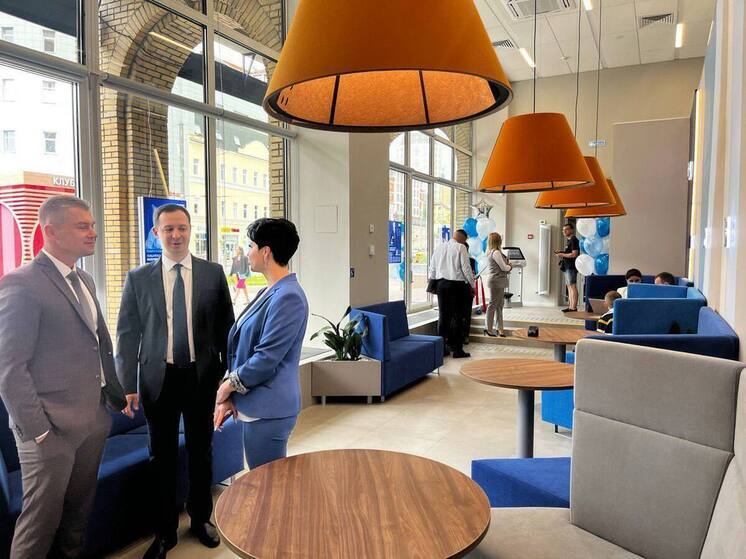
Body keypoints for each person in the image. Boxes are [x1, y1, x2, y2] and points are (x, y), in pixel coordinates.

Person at [0, 195, 126, 558]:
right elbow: (10, 369)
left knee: (76, 519)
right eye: (82, 226)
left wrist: (108, 402)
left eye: (92, 225)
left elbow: (97, 345)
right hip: (49, 432)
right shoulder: (21, 284)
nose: (93, 233)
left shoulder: (83, 278)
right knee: (38, 528)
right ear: (51, 232)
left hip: (91, 422)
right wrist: (39, 432)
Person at [116, 204, 234, 559]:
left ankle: (201, 519)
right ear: (156, 233)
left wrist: (229, 379)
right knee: (161, 458)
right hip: (158, 380)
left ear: (190, 229)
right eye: (168, 229)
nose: (176, 235)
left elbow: (227, 329)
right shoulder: (138, 278)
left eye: (182, 228)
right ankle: (164, 532)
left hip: (202, 378)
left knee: (201, 453)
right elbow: (126, 334)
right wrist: (127, 385)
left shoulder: (213, 273)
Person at [213, 218, 308, 470]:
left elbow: (266, 358)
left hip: (269, 408)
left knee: (269, 483)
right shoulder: (271, 290)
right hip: (257, 404)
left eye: (251, 246)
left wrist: (227, 387)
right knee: (265, 481)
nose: (248, 252)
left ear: (266, 252)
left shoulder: (288, 296)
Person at [428, 229, 475, 358]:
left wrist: (433, 283)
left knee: (443, 316)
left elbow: (432, 268)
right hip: (457, 286)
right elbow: (466, 268)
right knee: (458, 317)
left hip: (441, 285)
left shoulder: (439, 247)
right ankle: (457, 350)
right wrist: (472, 285)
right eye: (464, 241)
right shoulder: (461, 247)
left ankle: (442, 349)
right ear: (462, 239)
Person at [483, 232, 512, 337]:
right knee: (493, 305)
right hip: (496, 281)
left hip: (498, 281)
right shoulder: (496, 253)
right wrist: (510, 266)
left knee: (499, 305)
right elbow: (504, 268)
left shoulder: (492, 252)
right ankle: (488, 328)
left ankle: (499, 328)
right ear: (498, 241)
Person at [555, 223, 580, 312]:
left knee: (572, 286)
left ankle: (574, 307)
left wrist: (562, 254)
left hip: (571, 267)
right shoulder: (569, 240)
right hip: (567, 266)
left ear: (572, 230)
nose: (564, 231)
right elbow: (569, 253)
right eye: (563, 230)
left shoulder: (574, 240)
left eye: (566, 229)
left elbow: (574, 254)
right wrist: (562, 252)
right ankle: (570, 306)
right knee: (569, 286)